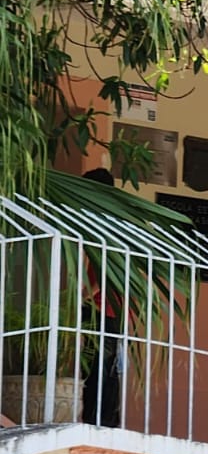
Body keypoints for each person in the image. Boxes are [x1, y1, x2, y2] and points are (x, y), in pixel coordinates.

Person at [78, 168, 122, 428]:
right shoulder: (108, 221)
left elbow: (107, 269)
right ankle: (103, 420)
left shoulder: (107, 224)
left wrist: (86, 293)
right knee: (103, 366)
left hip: (102, 306)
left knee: (99, 367)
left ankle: (98, 421)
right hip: (108, 307)